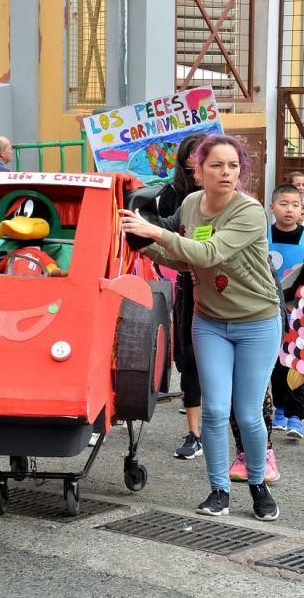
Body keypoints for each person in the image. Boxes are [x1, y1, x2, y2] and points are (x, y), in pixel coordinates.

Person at [120, 134, 282, 522]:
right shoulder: (192, 205)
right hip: (209, 321)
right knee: (213, 411)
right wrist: (140, 241)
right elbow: (185, 261)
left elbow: (210, 252)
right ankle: (218, 491)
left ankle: (258, 485)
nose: (226, 173)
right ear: (198, 170)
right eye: (216, 165)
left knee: (246, 414)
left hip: (257, 322)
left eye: (232, 166)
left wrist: (157, 232)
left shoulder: (249, 211)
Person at [157, 132, 206, 460]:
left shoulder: (239, 204)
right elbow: (158, 227)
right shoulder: (177, 196)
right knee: (187, 357)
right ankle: (195, 433)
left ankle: (250, 442)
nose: (197, 176)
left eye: (203, 166)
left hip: (227, 292)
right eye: (190, 171)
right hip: (188, 282)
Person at [268, 183, 304, 439]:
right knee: (274, 363)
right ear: (272, 208)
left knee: (298, 363)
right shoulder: (263, 236)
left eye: (295, 205)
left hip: (299, 312)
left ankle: (296, 416)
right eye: (283, 204)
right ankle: (279, 408)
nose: (289, 210)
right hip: (269, 308)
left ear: (301, 210)